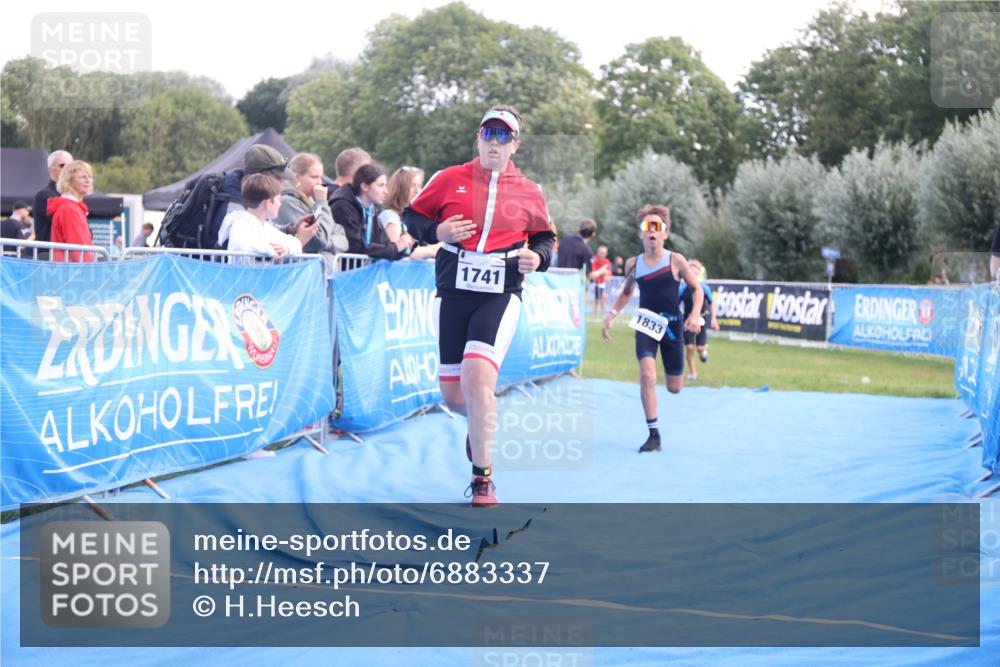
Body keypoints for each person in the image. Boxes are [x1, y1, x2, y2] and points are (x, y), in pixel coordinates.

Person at [404, 104, 555, 506]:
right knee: (455, 396)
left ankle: (483, 477)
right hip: (453, 291)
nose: (495, 142)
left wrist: (538, 257)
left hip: (501, 292)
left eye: (504, 136)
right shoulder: (448, 178)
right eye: (489, 133)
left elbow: (545, 238)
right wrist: (437, 230)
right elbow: (411, 217)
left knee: (477, 374)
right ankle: (480, 429)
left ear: (515, 145)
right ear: (478, 138)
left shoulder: (530, 191)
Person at [601, 204, 703, 453]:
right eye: (648, 226)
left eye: (658, 227)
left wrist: (694, 315)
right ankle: (653, 435)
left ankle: (673, 380)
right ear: (641, 233)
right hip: (646, 324)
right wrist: (612, 315)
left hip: (672, 326)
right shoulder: (633, 264)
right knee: (647, 375)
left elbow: (697, 289)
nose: (652, 231)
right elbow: (626, 293)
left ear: (665, 233)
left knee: (674, 388)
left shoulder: (676, 260)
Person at [274, 153, 349, 270]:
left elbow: (342, 237)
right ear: (297, 177)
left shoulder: (313, 202)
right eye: (314, 177)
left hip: (321, 274)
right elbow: (318, 241)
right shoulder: (287, 202)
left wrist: (327, 242)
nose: (319, 182)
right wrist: (322, 202)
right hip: (301, 273)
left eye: (321, 177)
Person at [224, 174, 315, 264]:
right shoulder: (241, 225)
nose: (280, 204)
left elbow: (283, 239)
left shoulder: (261, 225)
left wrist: (290, 245)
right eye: (278, 200)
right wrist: (299, 240)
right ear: (267, 203)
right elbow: (245, 247)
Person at [216, 144, 295, 248]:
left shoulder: (250, 196)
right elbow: (253, 244)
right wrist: (298, 242)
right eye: (278, 178)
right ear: (260, 176)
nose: (281, 183)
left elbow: (263, 227)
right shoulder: (235, 206)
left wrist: (289, 230)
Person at [331, 163, 413, 260]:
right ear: (364, 186)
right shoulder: (342, 207)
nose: (386, 191)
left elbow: (383, 242)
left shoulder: (370, 209)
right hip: (344, 268)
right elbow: (356, 246)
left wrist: (404, 246)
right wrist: (395, 248)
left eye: (386, 185)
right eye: (381, 185)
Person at [380, 166, 439, 260]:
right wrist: (433, 250)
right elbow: (401, 252)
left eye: (419, 186)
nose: (417, 191)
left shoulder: (413, 217)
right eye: (412, 185)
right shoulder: (389, 215)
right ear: (400, 188)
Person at [48, 160, 96, 263]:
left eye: (90, 177)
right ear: (69, 180)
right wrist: (91, 270)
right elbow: (78, 251)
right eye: (82, 177)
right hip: (73, 270)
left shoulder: (71, 207)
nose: (88, 180)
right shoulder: (69, 209)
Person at [679, 259, 719, 381]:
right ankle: (693, 372)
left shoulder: (704, 288)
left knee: (700, 348)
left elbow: (711, 303)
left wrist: (714, 319)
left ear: (699, 274)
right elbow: (675, 304)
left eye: (695, 273)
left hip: (701, 319)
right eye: (691, 273)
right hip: (687, 320)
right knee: (689, 347)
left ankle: (702, 352)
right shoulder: (683, 289)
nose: (693, 275)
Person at [33, 149, 72, 259]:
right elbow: (65, 225)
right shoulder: (44, 196)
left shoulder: (72, 197)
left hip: (68, 256)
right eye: (63, 165)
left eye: (72, 166)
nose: (69, 170)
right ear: (51, 170)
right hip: (48, 256)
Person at [591, 245, 612, 319]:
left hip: (603, 284)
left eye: (603, 253)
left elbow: (608, 274)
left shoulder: (607, 262)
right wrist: (602, 272)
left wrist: (604, 274)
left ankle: (604, 315)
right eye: (600, 252)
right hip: (595, 283)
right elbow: (593, 273)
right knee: (597, 301)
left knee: (603, 299)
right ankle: (595, 317)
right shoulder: (594, 261)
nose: (602, 254)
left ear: (606, 253)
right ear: (598, 252)